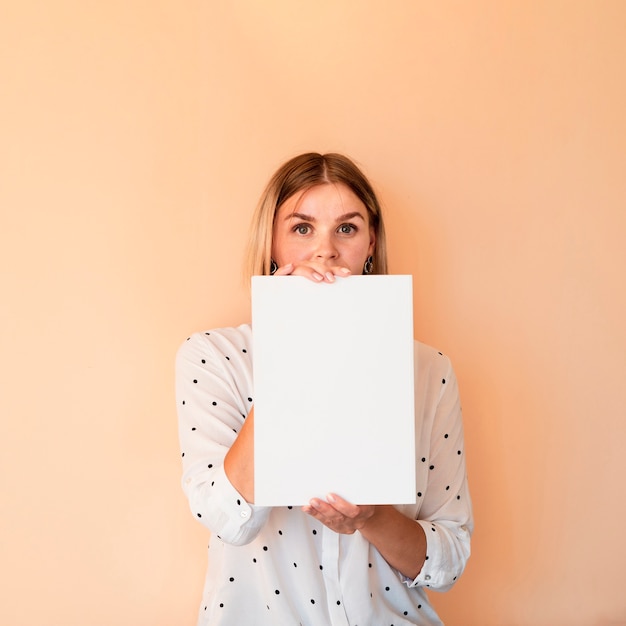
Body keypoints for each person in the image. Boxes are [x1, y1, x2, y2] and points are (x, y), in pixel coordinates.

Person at [176, 152, 473, 626]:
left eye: (347, 228)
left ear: (370, 242)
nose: (325, 251)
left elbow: (447, 561)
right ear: (272, 242)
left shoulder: (428, 371)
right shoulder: (214, 358)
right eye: (301, 228)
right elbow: (228, 519)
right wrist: (289, 349)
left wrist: (371, 518)